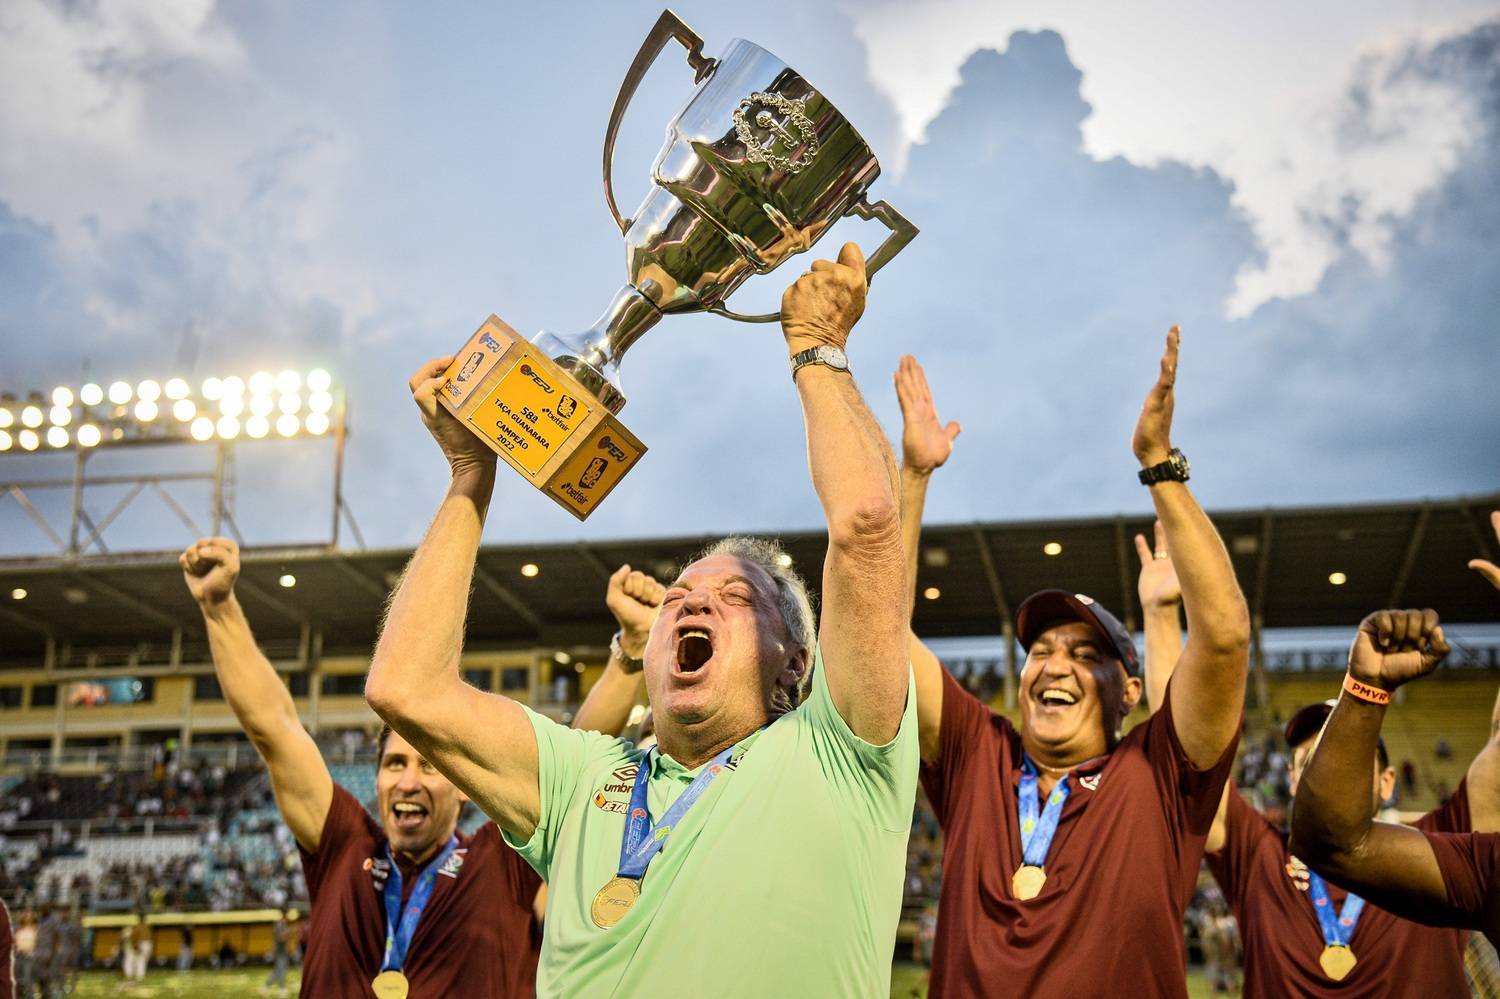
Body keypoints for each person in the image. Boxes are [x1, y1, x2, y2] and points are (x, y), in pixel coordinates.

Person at [366, 242, 917, 996]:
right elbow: (406, 688)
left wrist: (816, 348)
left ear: (795, 661)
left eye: (736, 597)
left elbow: (866, 525)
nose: (693, 600)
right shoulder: (587, 776)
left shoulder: (841, 751)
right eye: (681, 595)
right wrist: (469, 478)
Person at [894, 334, 1250, 996]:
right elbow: (879, 632)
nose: (1055, 664)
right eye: (1041, 650)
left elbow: (1226, 636)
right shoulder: (980, 755)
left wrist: (1158, 464)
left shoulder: (1159, 775)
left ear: (1130, 691)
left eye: (1086, 654)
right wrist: (912, 479)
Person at [183, 537, 636, 997]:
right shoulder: (342, 843)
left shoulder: (500, 860)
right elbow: (273, 729)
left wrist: (629, 653)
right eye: (394, 764)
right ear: (377, 777)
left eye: (429, 766)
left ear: (464, 784)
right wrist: (218, 607)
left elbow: (577, 763)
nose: (408, 781)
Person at [1140, 525, 1493, 996]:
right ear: (1289, 778)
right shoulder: (1257, 856)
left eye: (1349, 753)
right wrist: (1162, 613)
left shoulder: (1441, 851)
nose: (1326, 766)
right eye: (1309, 757)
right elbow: (1182, 746)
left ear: (1388, 781)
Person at [1292, 511, 1500, 948]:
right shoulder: (1488, 864)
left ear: (1389, 780)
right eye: (1306, 764)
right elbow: (1335, 843)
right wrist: (1365, 689)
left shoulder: (1454, 838)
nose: (1316, 770)